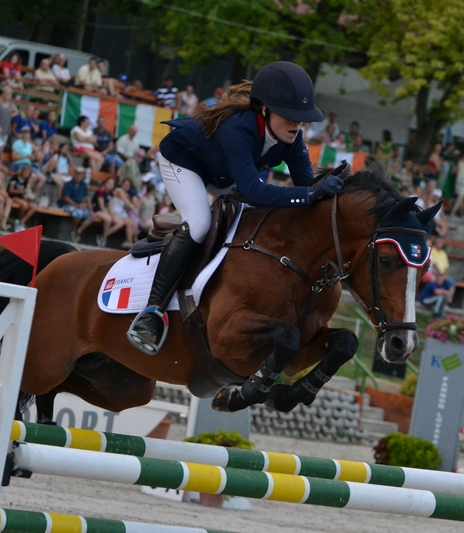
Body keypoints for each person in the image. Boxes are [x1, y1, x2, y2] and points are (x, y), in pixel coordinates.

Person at [126, 61, 336, 355]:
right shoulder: (239, 129)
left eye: (302, 119)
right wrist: (309, 194)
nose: (297, 124)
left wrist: (333, 192)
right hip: (183, 163)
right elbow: (256, 190)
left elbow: (307, 185)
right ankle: (151, 313)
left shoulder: (293, 139)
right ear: (264, 110)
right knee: (199, 223)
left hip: (223, 175)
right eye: (290, 117)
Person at [60, 167, 99, 242]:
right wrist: (77, 205)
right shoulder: (69, 184)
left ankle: (78, 231)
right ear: (74, 174)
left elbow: (87, 197)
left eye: (80, 175)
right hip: (68, 205)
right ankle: (73, 229)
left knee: (92, 216)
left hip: (79, 206)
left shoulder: (83, 185)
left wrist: (90, 209)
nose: (78, 176)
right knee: (78, 213)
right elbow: (66, 198)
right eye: (77, 174)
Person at [92, 177, 122, 247]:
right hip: (96, 210)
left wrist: (112, 214)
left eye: (112, 184)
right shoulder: (101, 191)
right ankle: (104, 239)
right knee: (108, 219)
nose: (110, 185)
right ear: (105, 183)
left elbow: (110, 205)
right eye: (108, 183)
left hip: (105, 211)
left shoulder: (111, 193)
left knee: (120, 223)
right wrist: (109, 215)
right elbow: (101, 206)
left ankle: (103, 236)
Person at [7, 166, 38, 230]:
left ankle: (22, 222)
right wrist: (21, 191)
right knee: (24, 204)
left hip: (21, 197)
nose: (27, 174)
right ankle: (19, 220)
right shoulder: (15, 178)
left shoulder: (26, 181)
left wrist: (28, 197)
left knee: (34, 206)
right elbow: (10, 190)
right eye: (26, 172)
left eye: (29, 173)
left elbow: (25, 193)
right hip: (13, 196)